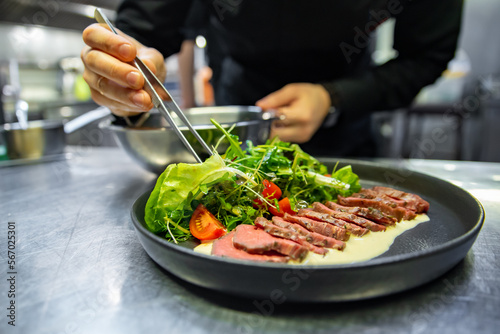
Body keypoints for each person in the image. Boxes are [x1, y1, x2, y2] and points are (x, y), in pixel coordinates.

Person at [81, 0, 463, 157]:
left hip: (347, 123)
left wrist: (334, 97)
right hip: (234, 125)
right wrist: (123, 68)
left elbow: (426, 55)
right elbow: (140, 30)